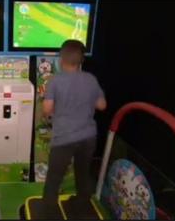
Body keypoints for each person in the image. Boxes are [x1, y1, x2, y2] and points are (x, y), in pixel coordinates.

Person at [42, 39, 106, 219]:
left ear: (61, 59)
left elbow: (47, 109)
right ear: (81, 61)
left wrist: (47, 116)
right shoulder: (91, 79)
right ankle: (82, 206)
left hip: (63, 138)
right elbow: (102, 105)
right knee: (83, 173)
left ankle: (50, 214)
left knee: (54, 178)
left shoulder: (55, 81)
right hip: (88, 137)